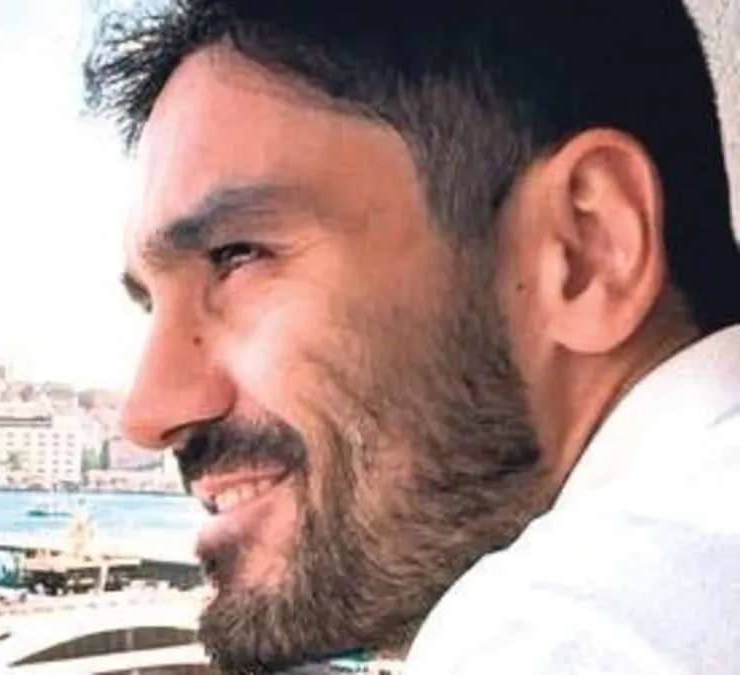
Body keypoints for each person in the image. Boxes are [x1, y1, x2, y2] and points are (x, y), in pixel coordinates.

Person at [81, 1, 740, 673]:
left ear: (585, 250)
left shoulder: (570, 627)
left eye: (237, 256)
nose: (148, 413)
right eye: (151, 305)